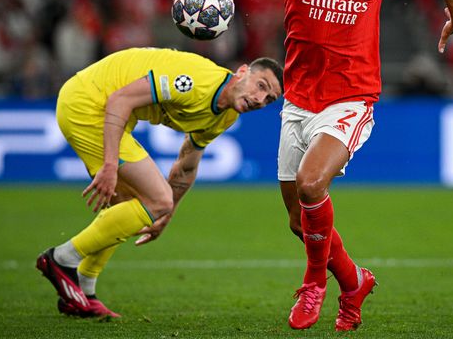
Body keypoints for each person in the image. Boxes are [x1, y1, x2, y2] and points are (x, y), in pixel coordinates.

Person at [213, 0, 453, 332]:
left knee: (312, 185)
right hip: (297, 103)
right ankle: (353, 283)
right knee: (298, 220)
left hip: (350, 100)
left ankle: (314, 284)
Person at [36, 47, 283, 318]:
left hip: (103, 108)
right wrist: (110, 165)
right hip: (89, 104)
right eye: (261, 86)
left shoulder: (227, 114)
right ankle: (62, 259)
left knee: (132, 205)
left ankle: (84, 288)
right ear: (243, 71)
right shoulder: (195, 81)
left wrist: (167, 213)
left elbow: (188, 162)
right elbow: (119, 100)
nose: (260, 99)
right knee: (157, 198)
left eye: (269, 98)